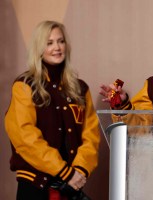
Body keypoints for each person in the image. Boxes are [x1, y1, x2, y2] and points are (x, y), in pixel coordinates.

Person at [4, 20, 100, 200]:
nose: (57, 47)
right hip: (35, 185)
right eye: (49, 43)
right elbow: (25, 137)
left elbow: (91, 137)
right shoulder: (24, 86)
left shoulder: (80, 89)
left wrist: (78, 171)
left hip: (70, 187)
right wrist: (64, 171)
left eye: (61, 41)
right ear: (38, 48)